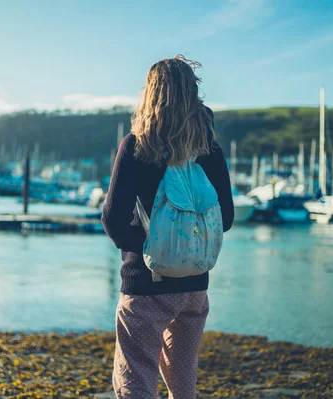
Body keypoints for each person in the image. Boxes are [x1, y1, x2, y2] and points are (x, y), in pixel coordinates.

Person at [101, 55, 234, 399]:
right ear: (193, 96)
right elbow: (227, 218)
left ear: (151, 94)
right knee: (183, 380)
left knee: (136, 378)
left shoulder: (137, 146)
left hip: (147, 286)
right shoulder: (209, 149)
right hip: (194, 289)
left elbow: (113, 220)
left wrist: (147, 250)